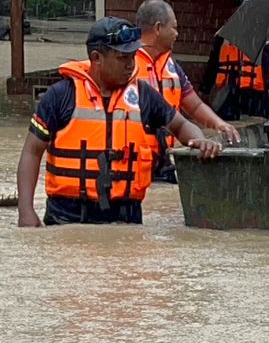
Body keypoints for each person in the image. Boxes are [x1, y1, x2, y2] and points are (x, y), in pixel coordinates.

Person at [17, 17, 223, 227]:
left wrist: (199, 140)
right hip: (66, 218)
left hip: (126, 218)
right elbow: (32, 152)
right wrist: (26, 211)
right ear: (97, 58)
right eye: (122, 58)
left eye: (132, 56)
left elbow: (180, 125)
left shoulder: (144, 96)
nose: (131, 64)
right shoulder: (61, 95)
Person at [135, 0, 240, 181]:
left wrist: (218, 124)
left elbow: (195, 106)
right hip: (134, 161)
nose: (177, 33)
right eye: (174, 28)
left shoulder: (172, 66)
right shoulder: (127, 65)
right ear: (158, 28)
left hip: (164, 159)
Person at [200, 36, 267, 119]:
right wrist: (205, 89)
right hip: (238, 94)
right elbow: (213, 64)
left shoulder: (228, 34)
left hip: (244, 96)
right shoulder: (264, 37)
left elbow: (213, 65)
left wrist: (204, 89)